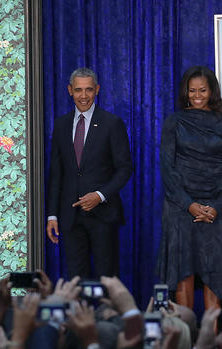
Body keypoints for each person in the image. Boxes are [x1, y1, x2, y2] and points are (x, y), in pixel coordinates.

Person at [156, 65, 222, 309]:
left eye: (203, 90)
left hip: (215, 209)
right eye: (192, 91)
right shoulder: (174, 122)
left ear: (212, 90)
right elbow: (167, 170)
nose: (198, 95)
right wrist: (189, 205)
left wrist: (217, 206)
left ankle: (211, 340)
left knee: (214, 272)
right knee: (184, 270)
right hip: (181, 209)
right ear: (185, 92)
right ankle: (187, 334)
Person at [46, 67, 133, 278]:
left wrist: (100, 195)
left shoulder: (112, 123)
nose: (83, 96)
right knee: (75, 280)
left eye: (88, 90)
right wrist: (52, 214)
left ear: (97, 90)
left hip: (103, 215)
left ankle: (108, 313)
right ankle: (78, 313)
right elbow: (56, 172)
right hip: (70, 217)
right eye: (78, 90)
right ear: (69, 90)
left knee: (107, 278)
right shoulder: (61, 124)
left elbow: (125, 168)